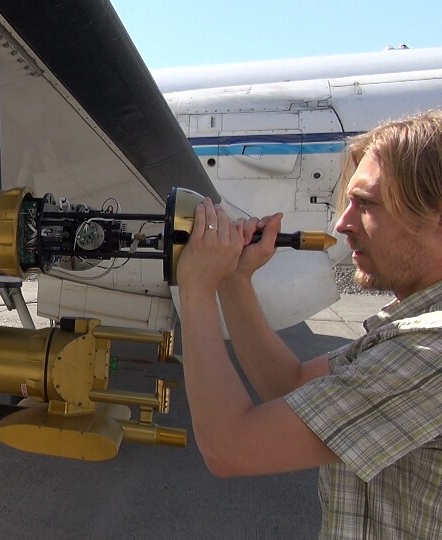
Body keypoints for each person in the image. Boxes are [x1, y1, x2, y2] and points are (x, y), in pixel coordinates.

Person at [176, 111, 442, 538]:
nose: (342, 224)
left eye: (367, 204)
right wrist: (234, 279)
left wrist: (195, 288)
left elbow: (228, 446)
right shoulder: (410, 331)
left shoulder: (429, 352)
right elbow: (292, 384)